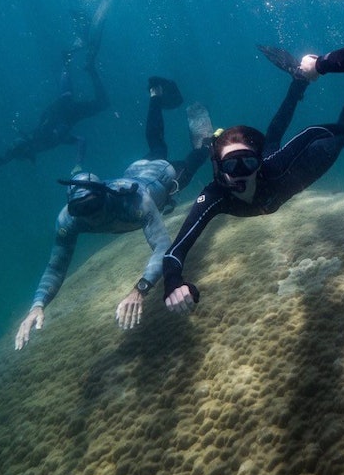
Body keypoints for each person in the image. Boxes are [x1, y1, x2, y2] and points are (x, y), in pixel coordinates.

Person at [160, 2, 344, 314]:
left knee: (317, 141)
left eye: (248, 162)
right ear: (219, 169)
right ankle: (298, 81)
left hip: (299, 170)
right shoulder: (215, 196)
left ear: (257, 162)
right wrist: (172, 281)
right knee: (272, 138)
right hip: (278, 173)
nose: (242, 173)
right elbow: (175, 251)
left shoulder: (269, 166)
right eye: (232, 165)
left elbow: (313, 132)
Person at [13, 77, 214, 349]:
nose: (90, 216)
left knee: (190, 157)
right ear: (71, 207)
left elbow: (162, 246)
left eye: (93, 205)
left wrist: (140, 290)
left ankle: (207, 143)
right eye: (81, 209)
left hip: (162, 177)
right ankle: (154, 96)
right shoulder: (68, 219)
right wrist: (37, 305)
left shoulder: (135, 203)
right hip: (136, 171)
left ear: (105, 195)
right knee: (156, 145)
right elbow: (56, 267)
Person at [0, 0, 111, 198]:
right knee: (73, 96)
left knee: (94, 102)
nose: (15, 146)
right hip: (62, 108)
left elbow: (80, 139)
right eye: (18, 147)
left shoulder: (42, 140)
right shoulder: (30, 144)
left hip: (65, 110)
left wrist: (78, 163)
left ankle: (82, 64)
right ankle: (73, 62)